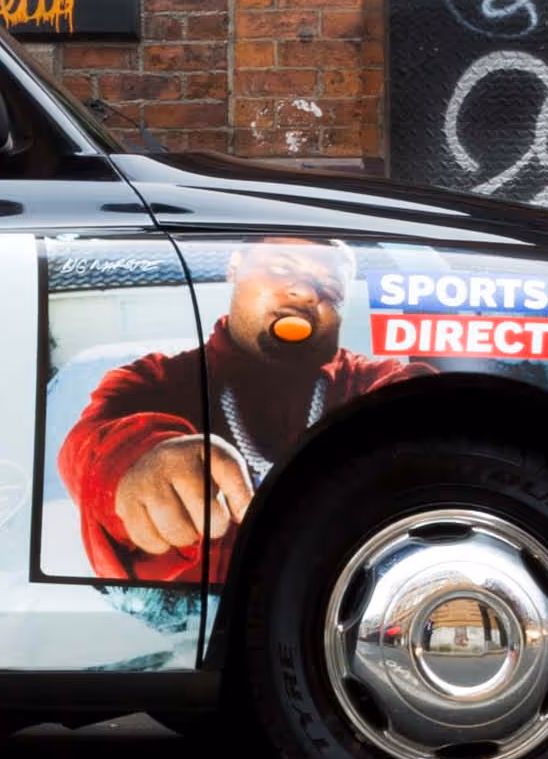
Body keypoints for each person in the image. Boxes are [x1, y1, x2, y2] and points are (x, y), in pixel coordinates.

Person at [52, 238, 416, 585]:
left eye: (331, 288)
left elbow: (419, 406)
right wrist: (133, 464)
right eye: (280, 267)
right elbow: (87, 448)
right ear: (235, 268)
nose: (307, 292)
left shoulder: (373, 381)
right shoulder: (153, 380)